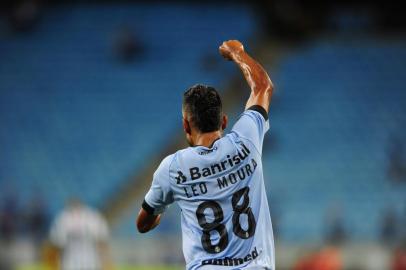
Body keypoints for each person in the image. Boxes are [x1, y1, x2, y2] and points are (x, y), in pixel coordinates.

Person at [137, 40, 275, 270]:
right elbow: (263, 87)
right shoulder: (247, 139)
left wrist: (161, 208)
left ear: (185, 125)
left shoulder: (172, 169)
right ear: (224, 121)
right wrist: (238, 54)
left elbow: (143, 223)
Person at [49, 199, 112, 270]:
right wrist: (106, 262)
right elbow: (102, 243)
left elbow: (56, 244)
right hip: (90, 262)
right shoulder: (93, 217)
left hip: (72, 263)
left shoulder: (63, 218)